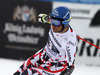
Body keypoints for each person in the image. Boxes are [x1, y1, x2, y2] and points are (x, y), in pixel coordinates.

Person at [13, 6, 77, 75]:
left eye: (56, 23)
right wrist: (44, 18)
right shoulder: (56, 24)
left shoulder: (69, 41)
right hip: (44, 55)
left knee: (27, 73)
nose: (53, 26)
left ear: (65, 23)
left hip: (54, 66)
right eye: (52, 21)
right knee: (20, 71)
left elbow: (70, 66)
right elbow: (48, 18)